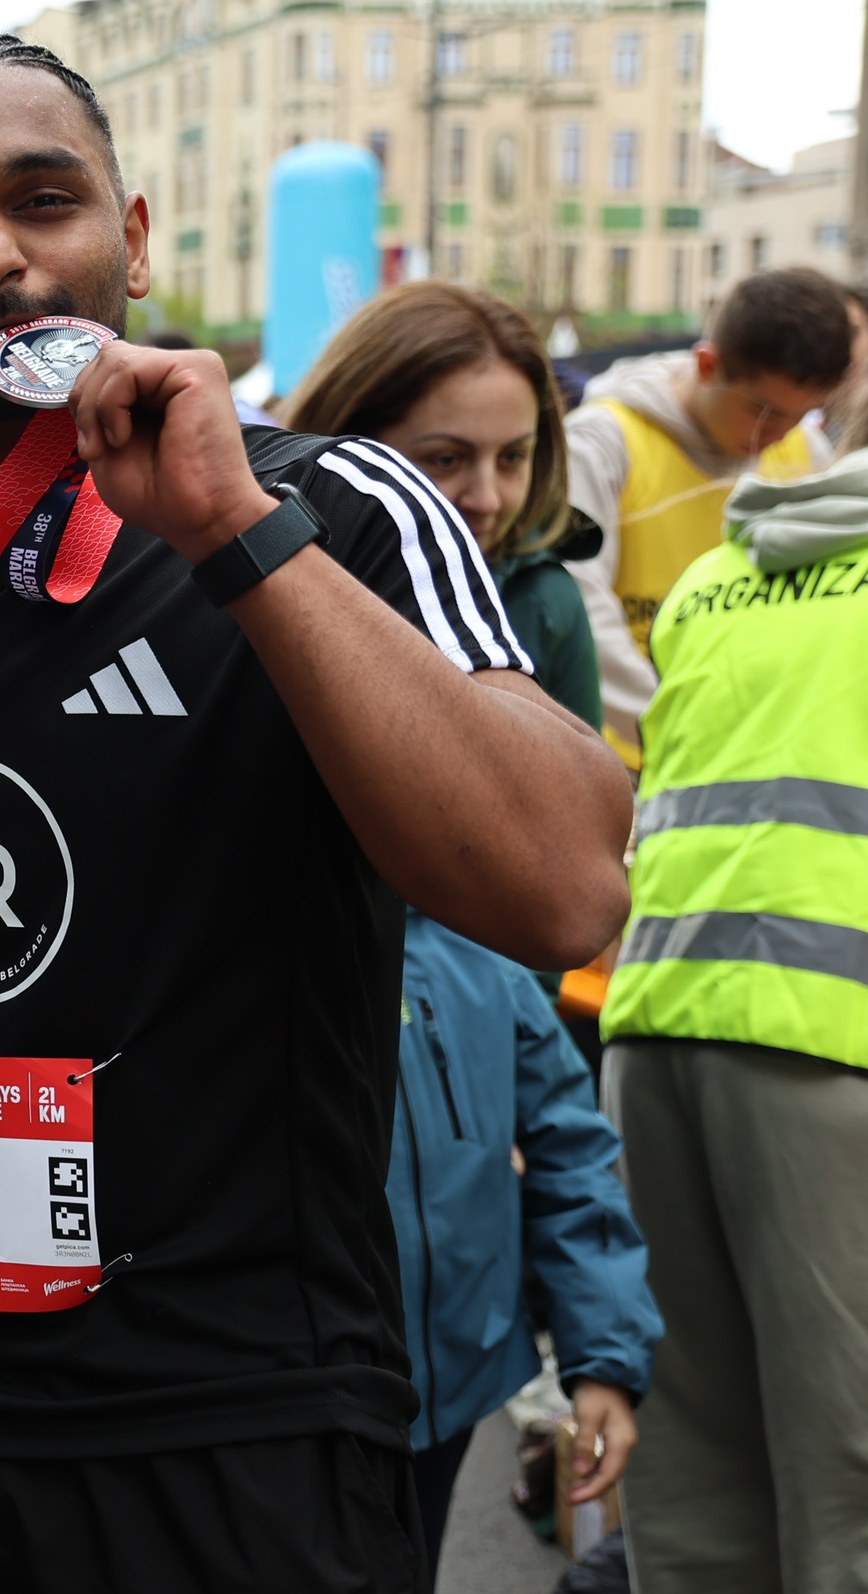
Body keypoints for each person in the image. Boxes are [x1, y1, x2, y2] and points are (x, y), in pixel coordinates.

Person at [0, 30, 632, 1592]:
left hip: (225, 1430)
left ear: (137, 241)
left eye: (43, 199)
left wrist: (234, 528)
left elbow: (567, 887)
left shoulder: (340, 504)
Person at [599, 447, 868, 1594]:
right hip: (828, 1049)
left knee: (699, 1481)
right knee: (847, 1479)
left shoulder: (717, 573)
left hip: (657, 1029)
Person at [384, 918, 660, 1580]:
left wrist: (604, 1357)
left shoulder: (478, 951)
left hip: (453, 1376)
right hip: (291, 1397)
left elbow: (572, 1153)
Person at [564, 266, 853, 764]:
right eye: (762, 410)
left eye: (799, 414)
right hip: (627, 761)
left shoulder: (805, 451)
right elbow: (579, 605)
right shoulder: (601, 442)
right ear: (706, 363)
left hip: (750, 755)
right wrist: (677, 725)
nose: (778, 434)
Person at [286, 282, 602, 728]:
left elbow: (581, 795)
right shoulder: (260, 576)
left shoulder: (547, 600)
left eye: (513, 457)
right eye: (446, 459)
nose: (488, 499)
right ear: (345, 441)